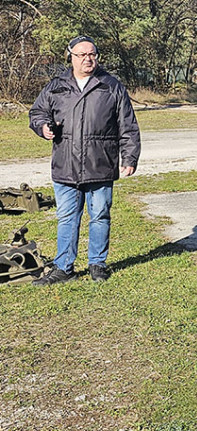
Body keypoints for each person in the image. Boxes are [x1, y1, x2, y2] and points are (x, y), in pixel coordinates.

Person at [29, 35, 140, 284]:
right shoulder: (56, 85)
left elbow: (128, 125)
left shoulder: (111, 85)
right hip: (65, 164)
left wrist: (130, 156)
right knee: (67, 218)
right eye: (82, 55)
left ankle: (97, 264)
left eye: (92, 54)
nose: (88, 59)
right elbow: (37, 112)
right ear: (70, 57)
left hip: (100, 163)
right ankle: (63, 268)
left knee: (100, 215)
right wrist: (43, 127)